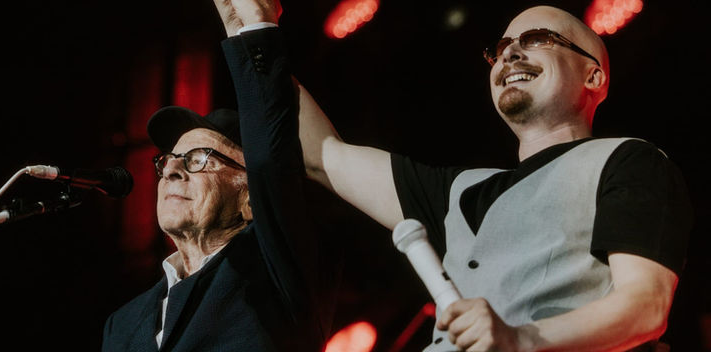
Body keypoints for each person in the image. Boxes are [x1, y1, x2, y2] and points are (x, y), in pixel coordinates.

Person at [210, 1, 692, 351]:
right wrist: (253, 31)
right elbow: (321, 155)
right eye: (501, 48)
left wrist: (521, 339)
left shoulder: (628, 161)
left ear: (593, 76)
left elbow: (646, 304)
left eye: (537, 40)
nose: (510, 54)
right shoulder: (457, 192)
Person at [101, 104, 337, 349]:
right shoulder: (121, 324)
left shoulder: (280, 276)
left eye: (199, 158)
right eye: (167, 159)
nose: (170, 170)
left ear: (251, 199)